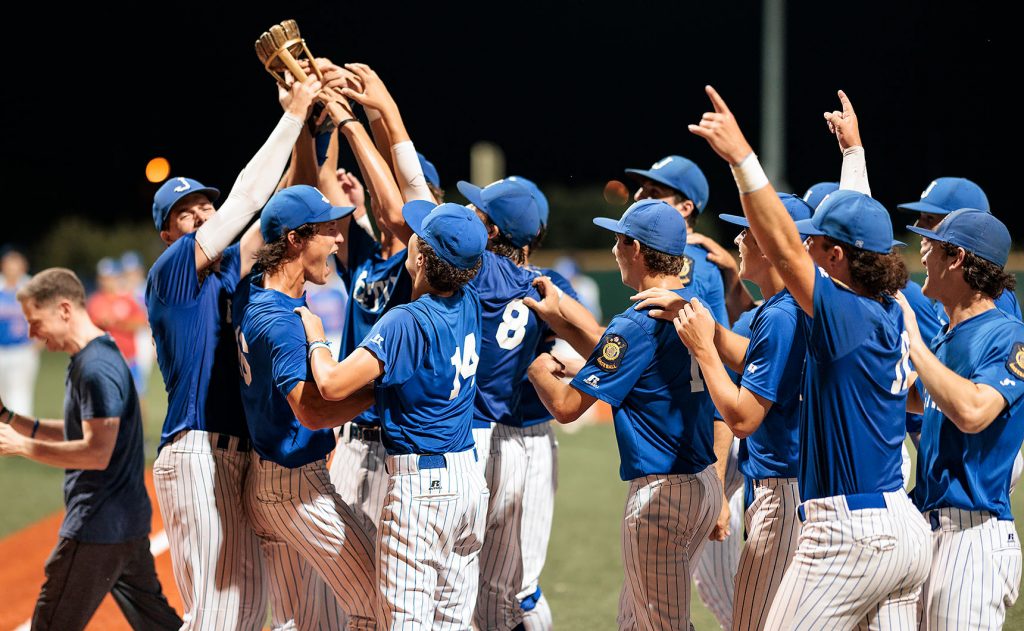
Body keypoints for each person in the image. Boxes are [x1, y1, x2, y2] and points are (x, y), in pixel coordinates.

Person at [689, 85, 931, 627]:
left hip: (849, 529)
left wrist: (741, 159)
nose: (806, 250)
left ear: (837, 258)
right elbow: (859, 230)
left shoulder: (845, 315)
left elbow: (779, 242)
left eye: (816, 244)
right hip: (903, 525)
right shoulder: (891, 306)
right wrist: (853, 157)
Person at [146, 74, 319, 630]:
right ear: (169, 234)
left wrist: (307, 130)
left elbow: (278, 214)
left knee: (244, 614)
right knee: (218, 615)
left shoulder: (228, 279)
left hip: (234, 455)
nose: (200, 216)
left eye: (203, 206)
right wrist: (290, 115)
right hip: (195, 447)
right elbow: (247, 199)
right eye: (186, 213)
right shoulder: (172, 273)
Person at [295, 199, 490, 629]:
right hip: (469, 483)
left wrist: (316, 337)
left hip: (423, 488)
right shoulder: (471, 301)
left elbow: (331, 384)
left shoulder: (406, 320)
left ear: (419, 257)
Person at [529, 199, 720, 630]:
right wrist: (576, 357)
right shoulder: (692, 305)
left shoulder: (636, 320)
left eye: (618, 240)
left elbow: (565, 408)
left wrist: (532, 364)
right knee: (634, 622)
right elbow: (647, 377)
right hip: (700, 480)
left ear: (635, 248)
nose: (614, 250)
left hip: (663, 493)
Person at [0, 268, 181, 631]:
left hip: (98, 523)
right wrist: (10, 418)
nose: (32, 333)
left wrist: (23, 446)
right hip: (124, 521)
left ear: (64, 310)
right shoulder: (92, 357)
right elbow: (81, 431)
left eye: (36, 322)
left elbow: (97, 452)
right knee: (157, 623)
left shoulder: (95, 368)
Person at [232, 184, 378, 630]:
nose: (338, 240)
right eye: (328, 231)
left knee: (305, 622)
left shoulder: (251, 290)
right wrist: (381, 393)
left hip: (270, 482)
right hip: (296, 487)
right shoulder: (282, 321)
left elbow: (253, 243)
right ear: (295, 239)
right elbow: (312, 413)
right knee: (382, 602)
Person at [672, 195, 811, 630]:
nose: (737, 238)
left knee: (750, 623)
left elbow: (743, 419)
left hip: (784, 490)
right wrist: (700, 321)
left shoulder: (783, 314)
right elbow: (753, 356)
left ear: (771, 245)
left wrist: (703, 350)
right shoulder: (790, 305)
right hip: (796, 483)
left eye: (746, 230)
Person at [899, 209, 1023, 629]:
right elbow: (921, 396)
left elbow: (973, 411)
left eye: (931, 244)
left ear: (957, 259)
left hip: (974, 535)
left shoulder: (1008, 334)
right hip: (930, 529)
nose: (923, 251)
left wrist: (914, 343)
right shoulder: (947, 335)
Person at [87, 257, 147, 389]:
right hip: (104, 359)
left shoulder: (127, 298)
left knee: (137, 397)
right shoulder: (95, 300)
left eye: (111, 277)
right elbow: (95, 321)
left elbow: (141, 321)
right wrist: (113, 322)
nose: (107, 282)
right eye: (104, 278)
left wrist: (118, 322)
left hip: (129, 360)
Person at [0, 247, 39, 416]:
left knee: (20, 398)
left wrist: (39, 343)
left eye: (16, 263)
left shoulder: (32, 288)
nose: (12, 267)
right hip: (2, 350)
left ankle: (22, 439)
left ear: (24, 265)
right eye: (9, 263)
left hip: (24, 349)